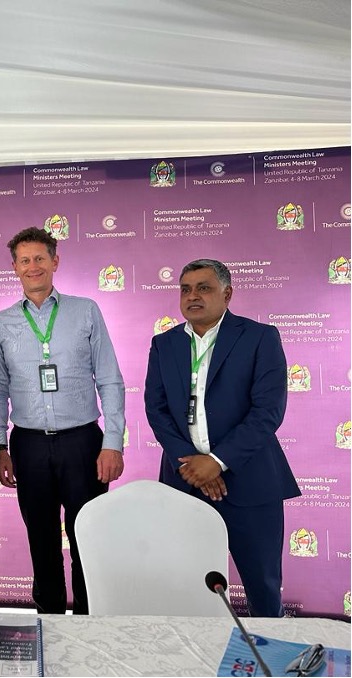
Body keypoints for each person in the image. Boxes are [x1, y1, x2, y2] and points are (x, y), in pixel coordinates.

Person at [144, 258, 300, 617]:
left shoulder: (260, 337)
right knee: (187, 584)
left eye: (204, 288)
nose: (192, 296)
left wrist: (215, 462)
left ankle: (268, 663)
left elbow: (268, 412)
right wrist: (190, 462)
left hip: (250, 482)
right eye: (185, 289)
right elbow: (157, 410)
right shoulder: (163, 344)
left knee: (262, 585)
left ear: (227, 294)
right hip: (185, 483)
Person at [0, 227, 125, 614]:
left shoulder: (85, 310)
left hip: (82, 442)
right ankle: (48, 621)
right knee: (41, 540)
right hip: (28, 445)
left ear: (55, 261)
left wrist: (112, 442)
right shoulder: (2, 322)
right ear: (14, 267)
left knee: (87, 536)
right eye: (25, 260)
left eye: (40, 259)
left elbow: (110, 378)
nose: (33, 267)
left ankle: (88, 620)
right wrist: (0, 446)